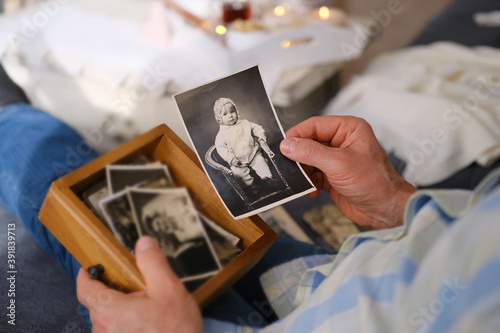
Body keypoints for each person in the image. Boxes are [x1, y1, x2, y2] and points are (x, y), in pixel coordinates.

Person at [2, 63, 500, 332]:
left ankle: (11, 122)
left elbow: (260, 143)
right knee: (129, 193)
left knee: (69, 204)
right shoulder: (221, 139)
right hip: (337, 274)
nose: (226, 118)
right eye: (221, 114)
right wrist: (396, 203)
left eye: (228, 113)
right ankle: (18, 123)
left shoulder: (252, 128)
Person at [213, 97, 277, 189]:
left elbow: (257, 128)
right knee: (239, 173)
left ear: (236, 111)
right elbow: (221, 148)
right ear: (220, 118)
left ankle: (268, 180)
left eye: (232, 111)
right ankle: (252, 186)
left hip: (253, 154)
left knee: (261, 163)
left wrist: (261, 137)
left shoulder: (245, 123)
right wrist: (231, 159)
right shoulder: (221, 134)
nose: (230, 116)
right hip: (238, 161)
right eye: (225, 114)